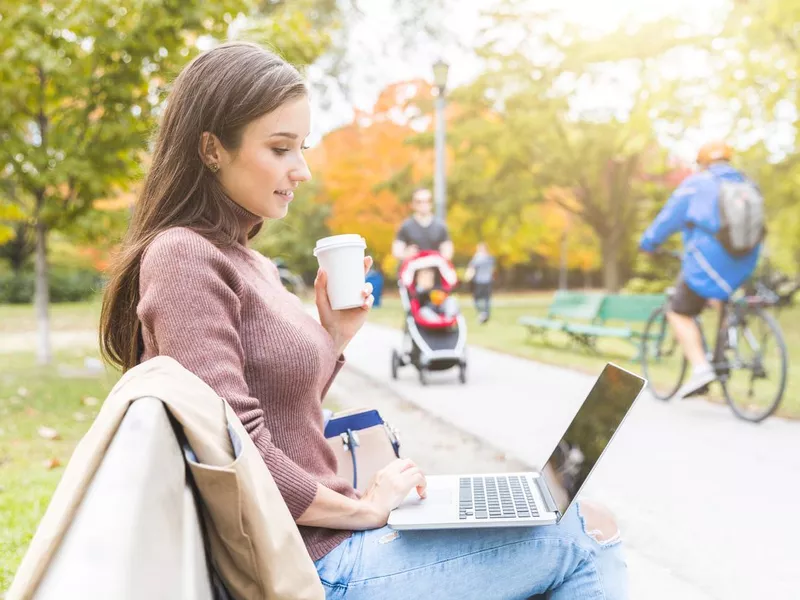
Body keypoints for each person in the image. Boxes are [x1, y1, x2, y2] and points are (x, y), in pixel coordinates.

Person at [99, 42, 627, 600]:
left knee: (574, 517)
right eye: (279, 149)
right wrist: (363, 508)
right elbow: (234, 453)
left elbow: (279, 409)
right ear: (211, 148)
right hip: (311, 567)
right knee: (588, 532)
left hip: (330, 542)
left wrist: (334, 337)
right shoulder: (183, 255)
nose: (300, 169)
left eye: (300, 147)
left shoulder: (248, 259)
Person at [640, 141, 762, 399]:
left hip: (708, 259)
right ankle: (726, 347)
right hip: (746, 258)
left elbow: (668, 218)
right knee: (718, 296)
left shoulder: (696, 184)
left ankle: (701, 368)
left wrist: (648, 243)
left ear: (703, 163)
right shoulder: (748, 184)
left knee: (678, 310)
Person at [392, 188, 454, 261]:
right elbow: (397, 252)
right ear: (413, 204)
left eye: (427, 201)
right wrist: (406, 254)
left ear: (431, 203)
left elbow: (448, 251)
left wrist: (440, 257)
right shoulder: (405, 226)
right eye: (419, 201)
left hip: (435, 268)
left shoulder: (440, 226)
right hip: (412, 269)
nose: (423, 204)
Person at [465, 242, 495, 324]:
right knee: (486, 299)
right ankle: (486, 314)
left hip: (479, 281)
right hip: (488, 280)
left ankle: (482, 313)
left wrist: (467, 277)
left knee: (477, 298)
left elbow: (471, 269)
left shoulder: (477, 259)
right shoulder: (490, 258)